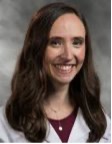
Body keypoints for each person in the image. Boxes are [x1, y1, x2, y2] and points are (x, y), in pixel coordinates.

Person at [0, 2, 111, 143]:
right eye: (55, 43)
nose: (68, 55)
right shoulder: (4, 125)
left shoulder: (100, 121)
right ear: (36, 48)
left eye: (77, 42)